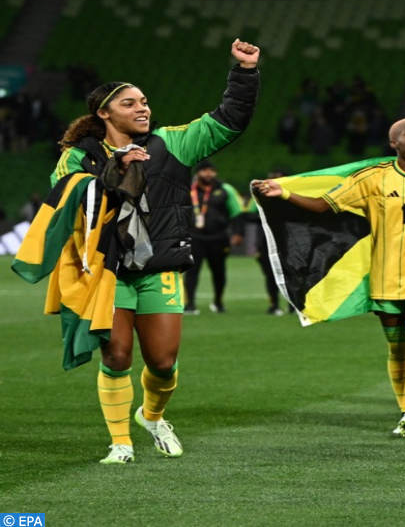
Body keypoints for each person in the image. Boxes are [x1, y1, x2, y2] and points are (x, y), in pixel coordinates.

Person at [49, 39, 260, 464]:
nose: (142, 108)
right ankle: (120, 443)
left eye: (144, 101)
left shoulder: (172, 144)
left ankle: (152, 415)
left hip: (157, 267)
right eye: (129, 104)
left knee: (163, 363)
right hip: (106, 272)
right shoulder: (80, 157)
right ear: (104, 114)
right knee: (118, 354)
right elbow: (66, 202)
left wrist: (245, 72)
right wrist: (115, 170)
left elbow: (229, 119)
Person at [253, 118, 405, 438]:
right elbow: (323, 205)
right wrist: (284, 193)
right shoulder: (372, 179)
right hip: (386, 277)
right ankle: (404, 411)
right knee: (398, 350)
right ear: (394, 143)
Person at [183, 161, 244, 314]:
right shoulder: (187, 189)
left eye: (211, 170)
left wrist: (238, 233)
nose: (208, 173)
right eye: (204, 171)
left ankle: (218, 302)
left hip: (219, 237)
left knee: (219, 271)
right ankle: (189, 304)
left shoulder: (225, 189)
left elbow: (236, 212)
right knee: (192, 270)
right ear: (198, 173)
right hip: (194, 237)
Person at [245, 167, 290, 315]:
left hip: (288, 241)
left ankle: (293, 305)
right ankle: (274, 305)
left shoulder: (291, 194)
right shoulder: (260, 195)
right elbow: (249, 215)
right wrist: (265, 216)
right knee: (270, 274)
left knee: (291, 273)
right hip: (267, 241)